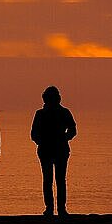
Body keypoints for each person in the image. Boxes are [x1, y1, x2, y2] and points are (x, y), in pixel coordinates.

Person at [30, 86, 77, 217]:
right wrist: (62, 139)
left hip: (54, 149)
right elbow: (34, 134)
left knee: (52, 180)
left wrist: (63, 139)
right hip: (53, 149)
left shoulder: (45, 113)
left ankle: (55, 209)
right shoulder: (50, 113)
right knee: (56, 180)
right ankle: (55, 209)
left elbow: (72, 130)